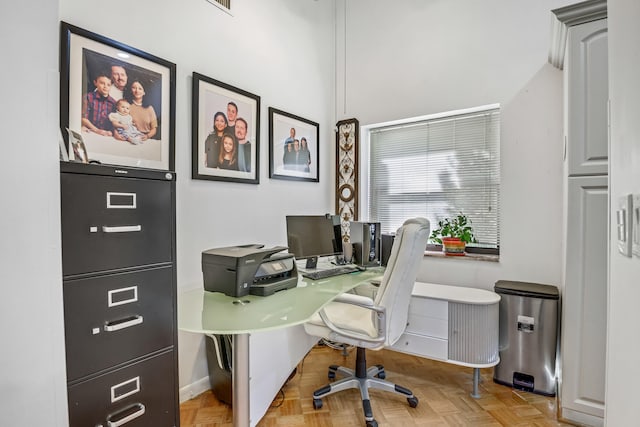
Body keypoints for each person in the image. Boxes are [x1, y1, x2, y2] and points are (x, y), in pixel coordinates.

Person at [81, 71, 116, 136]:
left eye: (108, 84)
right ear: (95, 83)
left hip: (106, 134)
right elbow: (84, 118)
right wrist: (97, 131)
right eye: (102, 83)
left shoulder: (113, 103)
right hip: (90, 131)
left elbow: (114, 122)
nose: (105, 86)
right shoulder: (88, 97)